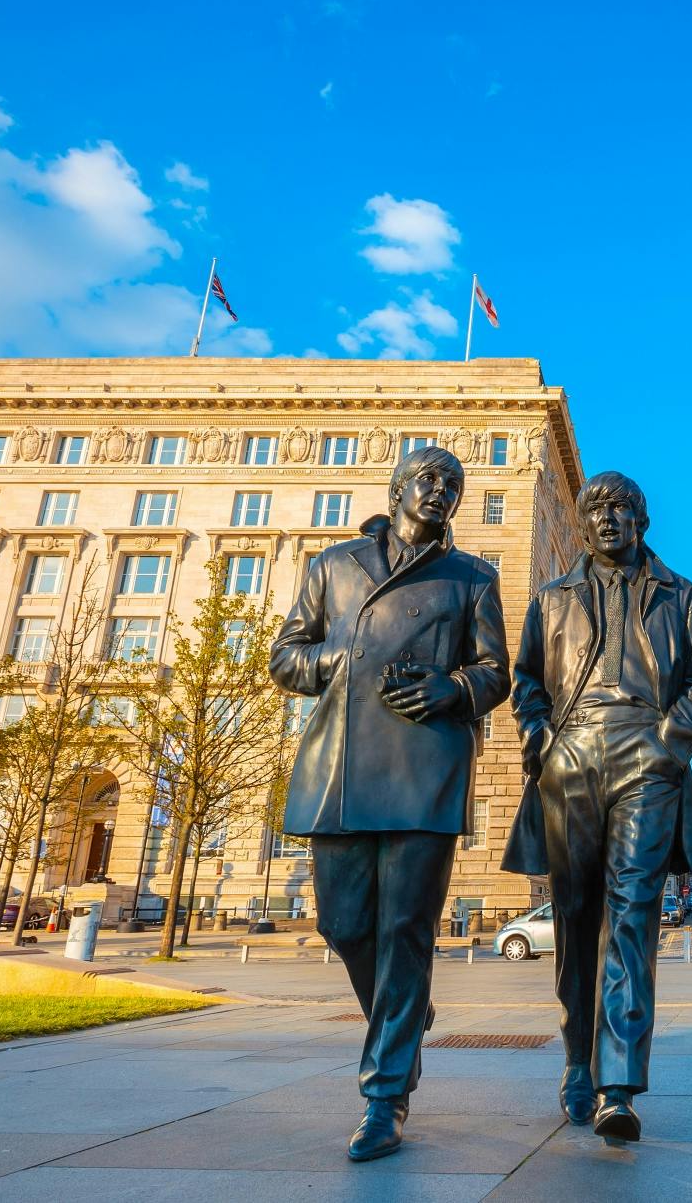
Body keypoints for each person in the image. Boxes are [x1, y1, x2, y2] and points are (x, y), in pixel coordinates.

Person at [269, 446, 508, 1163]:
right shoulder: (333, 565)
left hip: (425, 765)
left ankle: (385, 1095)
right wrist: (332, 661)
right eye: (429, 480)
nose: (441, 492)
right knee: (343, 924)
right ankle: (406, 1008)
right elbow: (285, 655)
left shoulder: (472, 577)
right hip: (340, 763)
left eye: (454, 485)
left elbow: (495, 670)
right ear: (400, 487)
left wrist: (451, 691)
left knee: (405, 929)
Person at [501, 471, 692, 1144]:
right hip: (571, 755)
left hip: (645, 754)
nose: (608, 519)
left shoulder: (679, 595)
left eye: (622, 509)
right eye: (596, 510)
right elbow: (527, 680)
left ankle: (617, 1084)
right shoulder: (552, 597)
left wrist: (670, 742)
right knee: (575, 916)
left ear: (641, 522)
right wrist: (541, 740)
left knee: (632, 915)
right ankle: (577, 1056)